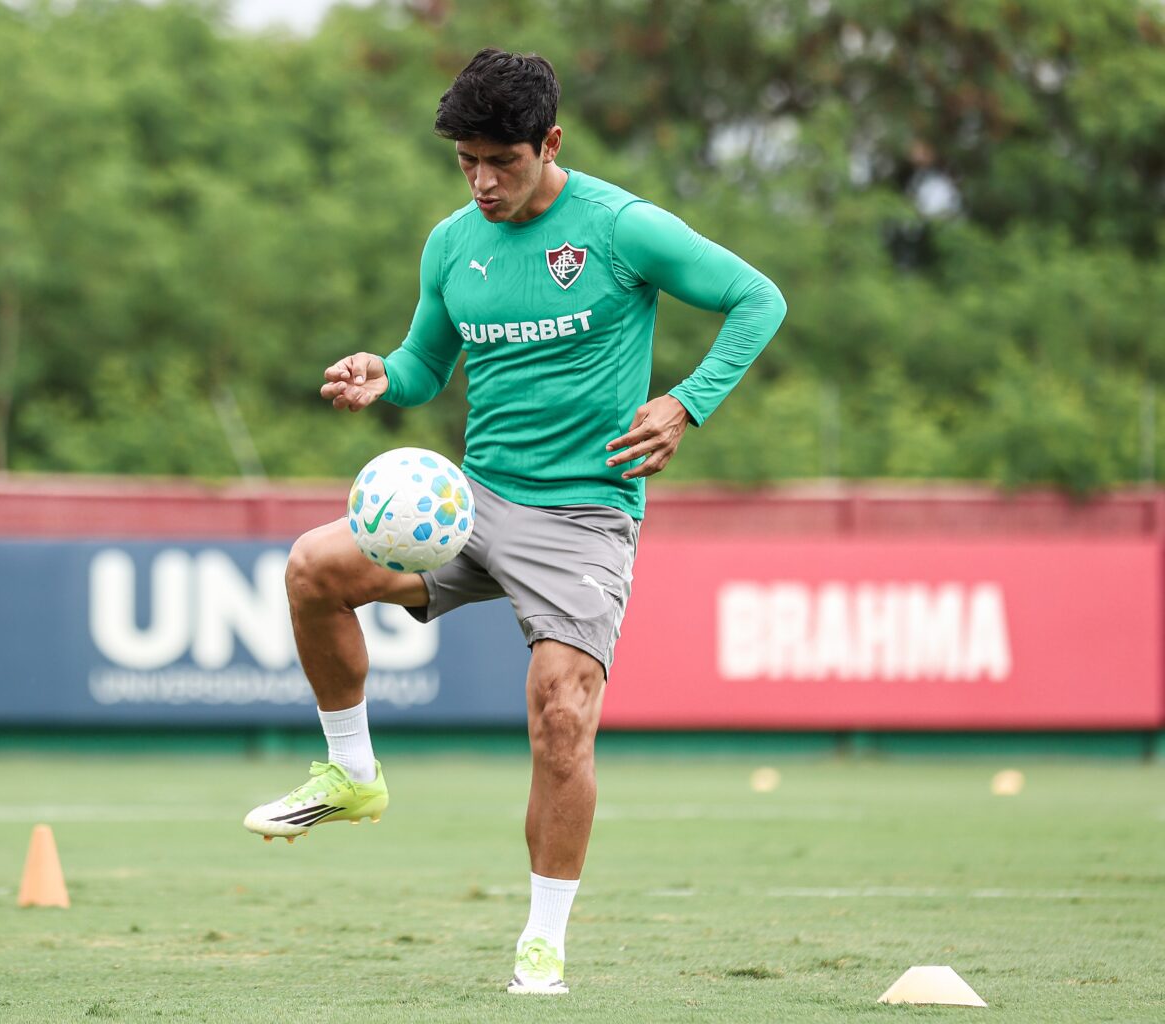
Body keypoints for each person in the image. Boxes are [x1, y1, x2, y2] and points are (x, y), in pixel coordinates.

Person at [243, 47, 787, 995]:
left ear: (550, 144)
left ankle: (543, 941)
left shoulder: (621, 229)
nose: (484, 182)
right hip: (473, 502)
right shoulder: (452, 243)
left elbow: (758, 298)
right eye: (468, 163)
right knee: (311, 569)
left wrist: (687, 403)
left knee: (560, 719)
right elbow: (424, 365)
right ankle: (351, 775)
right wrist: (385, 377)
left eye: (504, 161)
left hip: (583, 516)